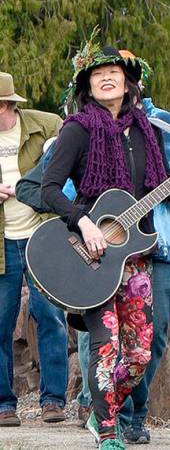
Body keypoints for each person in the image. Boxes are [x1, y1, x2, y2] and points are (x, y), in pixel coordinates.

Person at [41, 43, 170, 450]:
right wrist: (84, 222)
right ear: (88, 85)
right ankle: (107, 432)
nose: (106, 78)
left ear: (128, 83)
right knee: (106, 346)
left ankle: (103, 411)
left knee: (139, 355)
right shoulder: (78, 130)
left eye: (114, 72)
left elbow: (161, 188)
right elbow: (49, 188)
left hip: (135, 258)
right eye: (98, 73)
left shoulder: (146, 130)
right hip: (93, 255)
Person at [0, 72, 66, 427]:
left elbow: (69, 162)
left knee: (50, 315)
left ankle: (53, 400)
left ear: (5, 105)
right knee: (1, 321)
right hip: (3, 241)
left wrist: (32, 185)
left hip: (42, 235)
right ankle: (3, 404)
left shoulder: (46, 125)